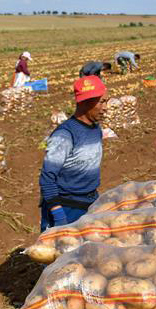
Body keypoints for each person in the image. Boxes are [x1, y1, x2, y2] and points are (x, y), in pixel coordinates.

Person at [39, 76, 108, 230]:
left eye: (106, 101)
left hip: (89, 204)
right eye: (102, 102)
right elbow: (47, 178)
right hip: (66, 207)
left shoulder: (95, 129)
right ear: (85, 102)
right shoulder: (64, 135)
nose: (105, 108)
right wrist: (59, 215)